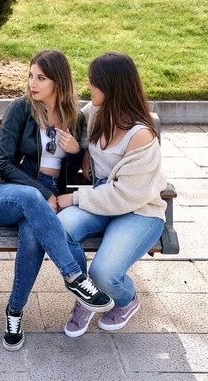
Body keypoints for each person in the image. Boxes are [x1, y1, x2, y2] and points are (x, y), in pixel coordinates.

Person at [0, 49, 114, 352]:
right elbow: (4, 164)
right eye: (30, 76)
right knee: (30, 198)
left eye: (41, 77)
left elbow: (76, 168)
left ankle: (14, 311)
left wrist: (74, 152)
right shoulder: (20, 109)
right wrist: (44, 193)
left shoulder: (74, 118)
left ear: (58, 82)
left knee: (32, 236)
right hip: (5, 192)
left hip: (44, 197)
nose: (32, 83)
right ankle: (76, 277)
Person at [57, 52, 167, 338]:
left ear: (112, 87)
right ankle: (87, 295)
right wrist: (80, 153)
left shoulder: (141, 135)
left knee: (104, 273)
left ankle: (126, 300)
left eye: (94, 82)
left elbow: (125, 195)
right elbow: (72, 131)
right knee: (60, 227)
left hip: (139, 211)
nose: (88, 87)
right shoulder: (94, 113)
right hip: (103, 200)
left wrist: (77, 198)